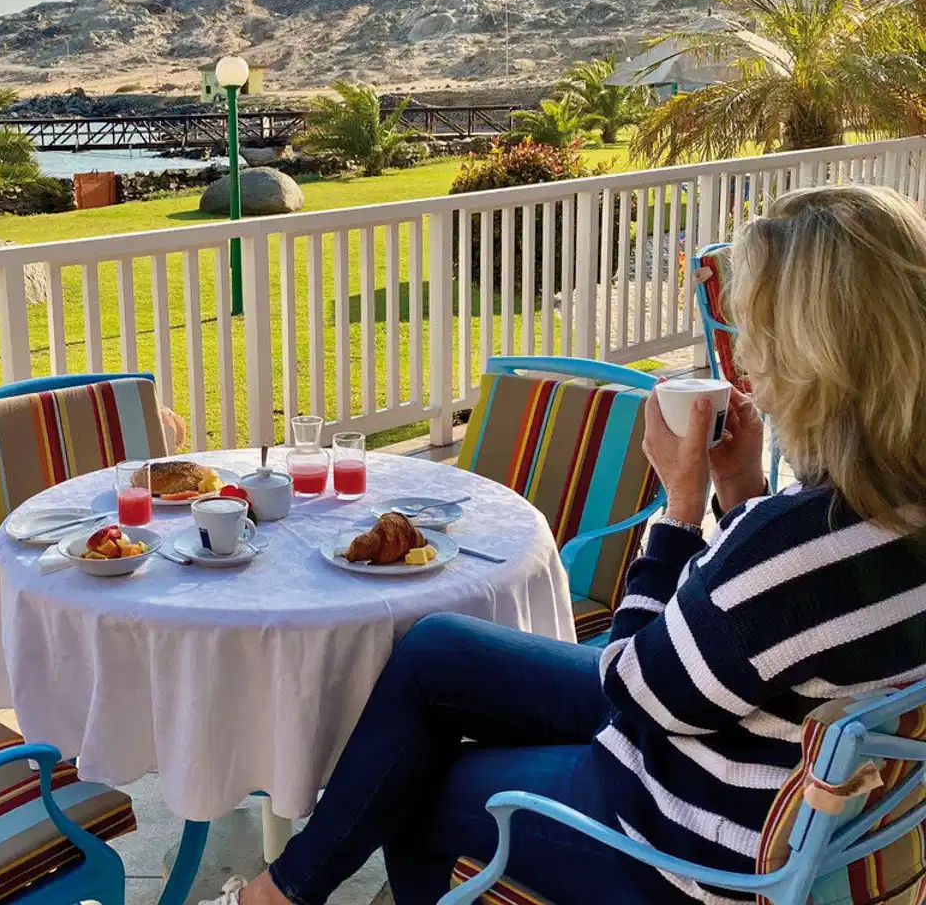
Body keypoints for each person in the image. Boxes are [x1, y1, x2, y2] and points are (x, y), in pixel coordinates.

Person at [208, 187, 926, 905]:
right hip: (754, 772)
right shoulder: (877, 516)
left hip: (684, 846)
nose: (745, 362)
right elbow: (778, 632)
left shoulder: (796, 545)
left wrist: (679, 511)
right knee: (434, 653)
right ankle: (284, 891)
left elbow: (633, 692)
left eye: (757, 335)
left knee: (413, 786)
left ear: (815, 358)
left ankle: (279, 895)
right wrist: (740, 494)